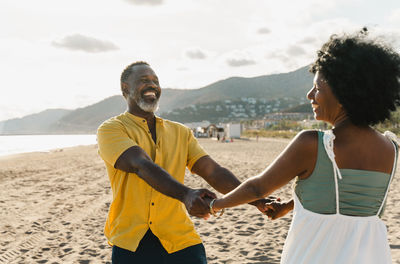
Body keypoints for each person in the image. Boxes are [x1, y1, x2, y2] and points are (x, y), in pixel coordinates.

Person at [210, 28, 400, 263]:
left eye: (318, 88)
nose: (310, 95)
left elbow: (258, 188)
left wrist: (215, 204)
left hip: (318, 253)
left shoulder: (313, 143)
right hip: (372, 255)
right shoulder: (391, 148)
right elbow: (345, 194)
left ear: (344, 94)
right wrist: (289, 206)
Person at [97, 61, 270, 264]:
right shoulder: (111, 129)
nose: (152, 85)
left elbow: (213, 171)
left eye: (156, 81)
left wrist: (257, 201)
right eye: (144, 80)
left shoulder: (180, 132)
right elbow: (139, 165)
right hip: (131, 241)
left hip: (180, 238)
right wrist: (186, 194)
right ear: (125, 88)